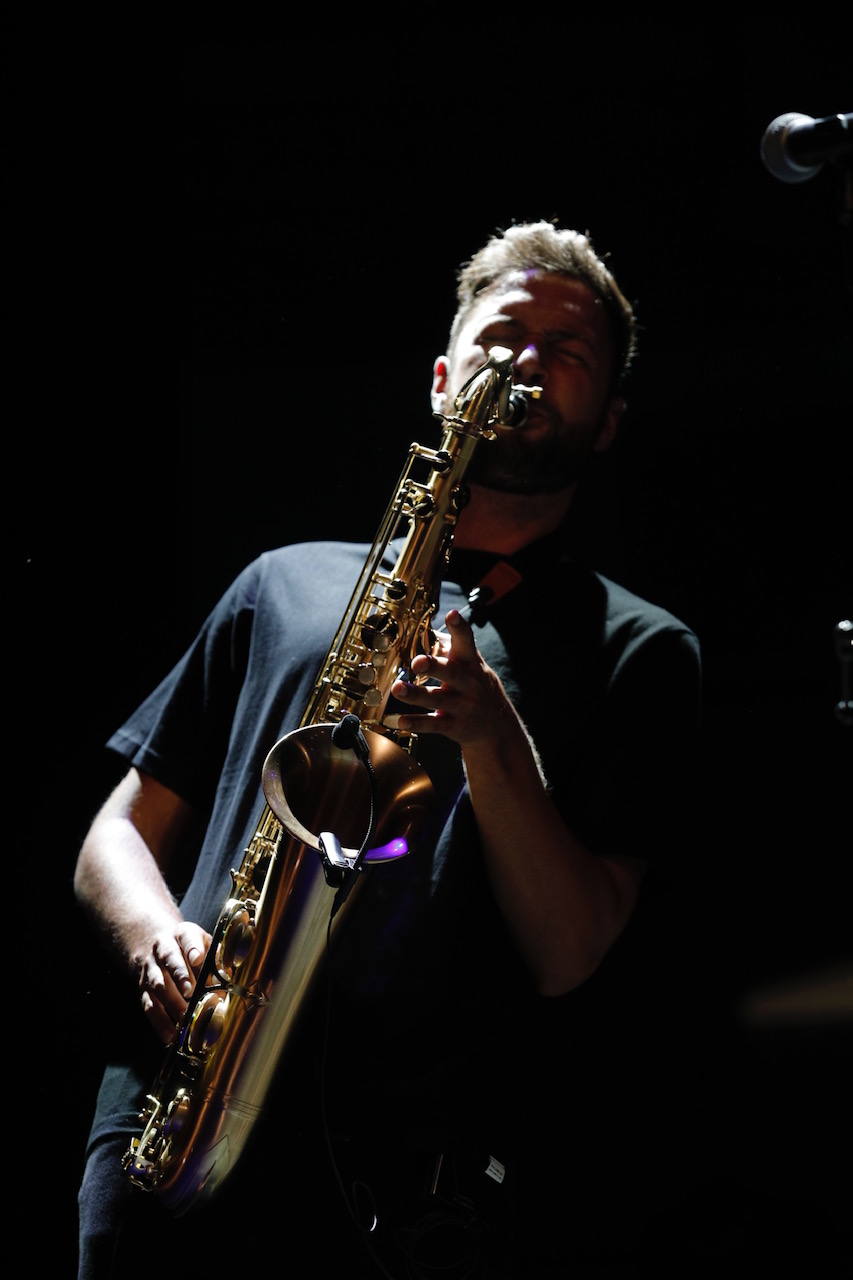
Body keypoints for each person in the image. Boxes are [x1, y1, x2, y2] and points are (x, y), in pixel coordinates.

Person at [75, 221, 702, 1278]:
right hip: (180, 1103)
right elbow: (117, 831)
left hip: (408, 1178)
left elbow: (570, 950)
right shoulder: (282, 580)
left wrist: (491, 734)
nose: (527, 358)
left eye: (568, 349)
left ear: (608, 422)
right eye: (504, 332)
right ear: (443, 378)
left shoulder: (640, 647)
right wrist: (152, 939)